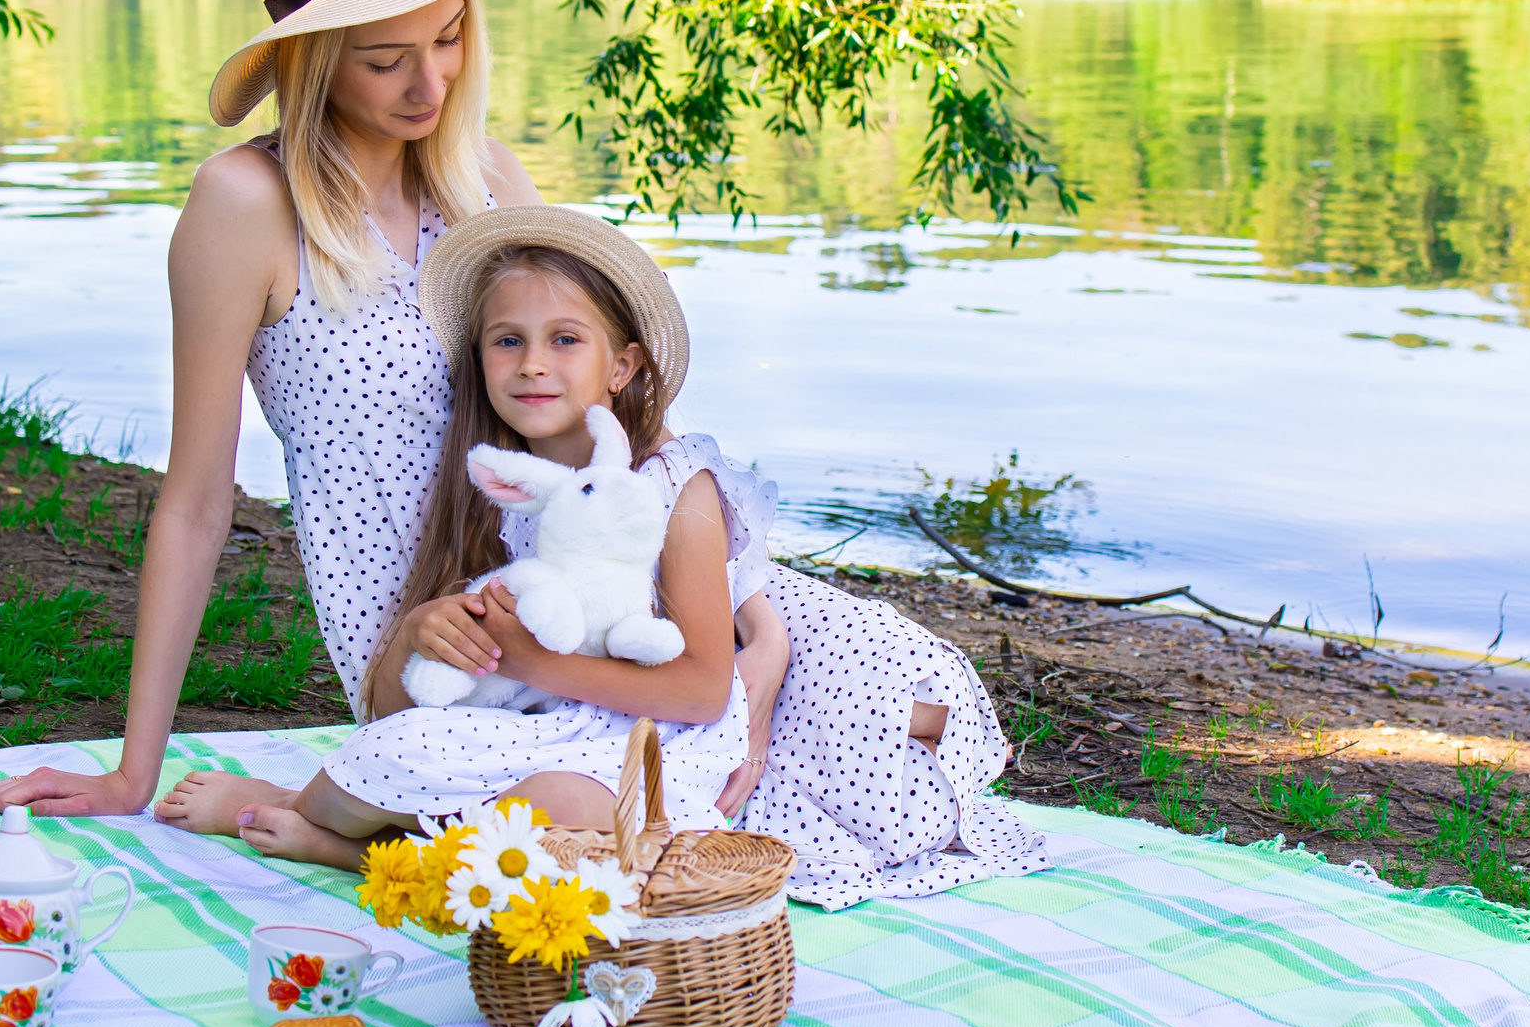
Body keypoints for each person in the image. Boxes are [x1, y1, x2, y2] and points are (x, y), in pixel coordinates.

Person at [0, 0, 784, 822]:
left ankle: (349, 815)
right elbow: (196, 500)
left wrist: (750, 614)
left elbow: (614, 415)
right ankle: (331, 817)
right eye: (385, 58)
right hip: (443, 642)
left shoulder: (486, 177)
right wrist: (132, 770)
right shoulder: (246, 206)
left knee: (880, 688)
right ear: (313, 60)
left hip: (596, 581)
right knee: (575, 801)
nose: (430, 81)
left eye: (449, 38)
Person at [202, 207, 1046, 913]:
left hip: (663, 735)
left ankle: (355, 852)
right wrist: (426, 632)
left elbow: (700, 687)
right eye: (507, 341)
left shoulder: (672, 489)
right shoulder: (504, 490)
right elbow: (404, 706)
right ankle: (318, 807)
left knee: (556, 813)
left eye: (564, 338)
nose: (532, 362)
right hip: (564, 720)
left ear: (622, 365)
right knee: (411, 747)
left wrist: (538, 660)